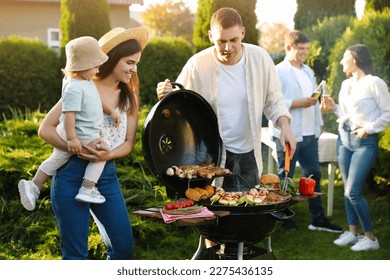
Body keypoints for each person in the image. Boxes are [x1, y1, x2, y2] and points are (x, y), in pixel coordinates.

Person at [37, 26, 150, 259]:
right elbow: (45, 129)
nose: (134, 69)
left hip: (105, 176)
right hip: (69, 174)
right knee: (76, 255)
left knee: (123, 249)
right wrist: (74, 146)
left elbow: (129, 143)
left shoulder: (131, 97)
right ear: (112, 59)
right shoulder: (81, 86)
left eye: (136, 63)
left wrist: (106, 156)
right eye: (129, 62)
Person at [156, 7, 297, 192]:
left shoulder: (260, 59)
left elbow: (275, 101)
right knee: (214, 210)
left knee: (249, 208)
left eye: (234, 40)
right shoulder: (197, 64)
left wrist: (285, 126)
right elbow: (178, 100)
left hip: (248, 153)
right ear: (210, 36)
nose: (228, 48)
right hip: (209, 155)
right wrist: (166, 93)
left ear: (243, 33)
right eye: (221, 41)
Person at [18, 36, 111, 210]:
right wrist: (72, 139)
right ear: (83, 65)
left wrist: (111, 111)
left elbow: (96, 99)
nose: (98, 70)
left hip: (73, 132)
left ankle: (34, 186)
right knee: (100, 154)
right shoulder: (73, 88)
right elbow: (69, 115)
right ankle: (87, 189)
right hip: (82, 133)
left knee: (56, 160)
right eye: (96, 66)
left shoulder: (84, 81)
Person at [269, 30, 342, 233]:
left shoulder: (308, 71)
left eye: (307, 49)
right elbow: (271, 102)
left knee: (314, 175)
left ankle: (317, 219)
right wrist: (297, 103)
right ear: (288, 48)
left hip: (310, 134)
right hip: (289, 132)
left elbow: (313, 101)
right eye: (301, 49)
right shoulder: (278, 71)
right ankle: (283, 217)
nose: (304, 53)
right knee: (286, 177)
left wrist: (320, 119)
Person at [331, 44, 390, 251]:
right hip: (344, 141)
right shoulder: (346, 84)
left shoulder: (375, 83)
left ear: (354, 59)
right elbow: (345, 114)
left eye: (344, 58)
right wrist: (333, 107)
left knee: (353, 191)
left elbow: (387, 114)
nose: (340, 62)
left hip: (364, 143)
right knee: (348, 191)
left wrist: (369, 129)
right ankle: (353, 232)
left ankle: (371, 238)